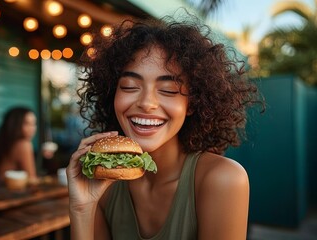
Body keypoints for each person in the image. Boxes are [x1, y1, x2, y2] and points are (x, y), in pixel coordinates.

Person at [67, 12, 263, 240]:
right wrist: (81, 210)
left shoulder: (223, 179)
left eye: (169, 90)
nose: (146, 103)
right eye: (129, 86)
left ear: (192, 103)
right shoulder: (103, 185)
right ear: (113, 95)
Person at [0, 106, 38, 184]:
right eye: (26, 124)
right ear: (15, 125)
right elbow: (32, 180)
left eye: (34, 124)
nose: (32, 128)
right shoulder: (23, 144)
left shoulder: (5, 143)